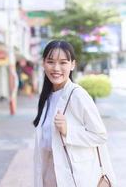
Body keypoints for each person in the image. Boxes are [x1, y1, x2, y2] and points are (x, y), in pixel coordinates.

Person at [33, 40, 116, 187]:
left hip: (75, 177)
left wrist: (68, 131)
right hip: (51, 175)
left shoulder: (78, 95)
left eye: (63, 62)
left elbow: (100, 135)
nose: (56, 68)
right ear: (43, 63)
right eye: (50, 61)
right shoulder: (47, 97)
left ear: (72, 65)